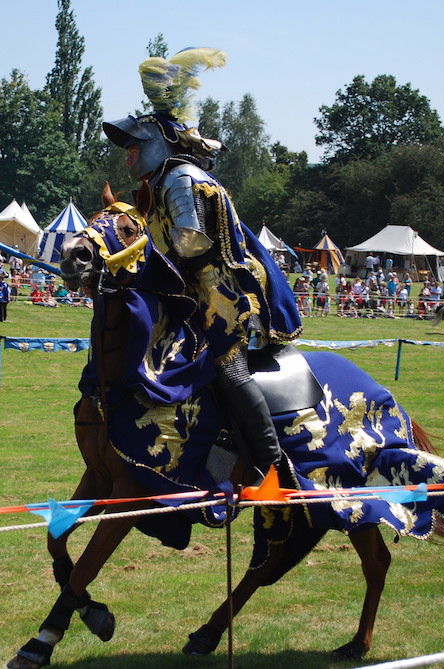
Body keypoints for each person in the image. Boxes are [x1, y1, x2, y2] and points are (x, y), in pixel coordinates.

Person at [102, 47, 302, 485]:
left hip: (219, 295)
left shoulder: (180, 179)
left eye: (134, 145)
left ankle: (275, 464)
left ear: (158, 143)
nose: (127, 154)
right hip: (186, 293)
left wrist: (147, 266)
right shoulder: (154, 186)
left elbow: (191, 241)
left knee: (228, 369)